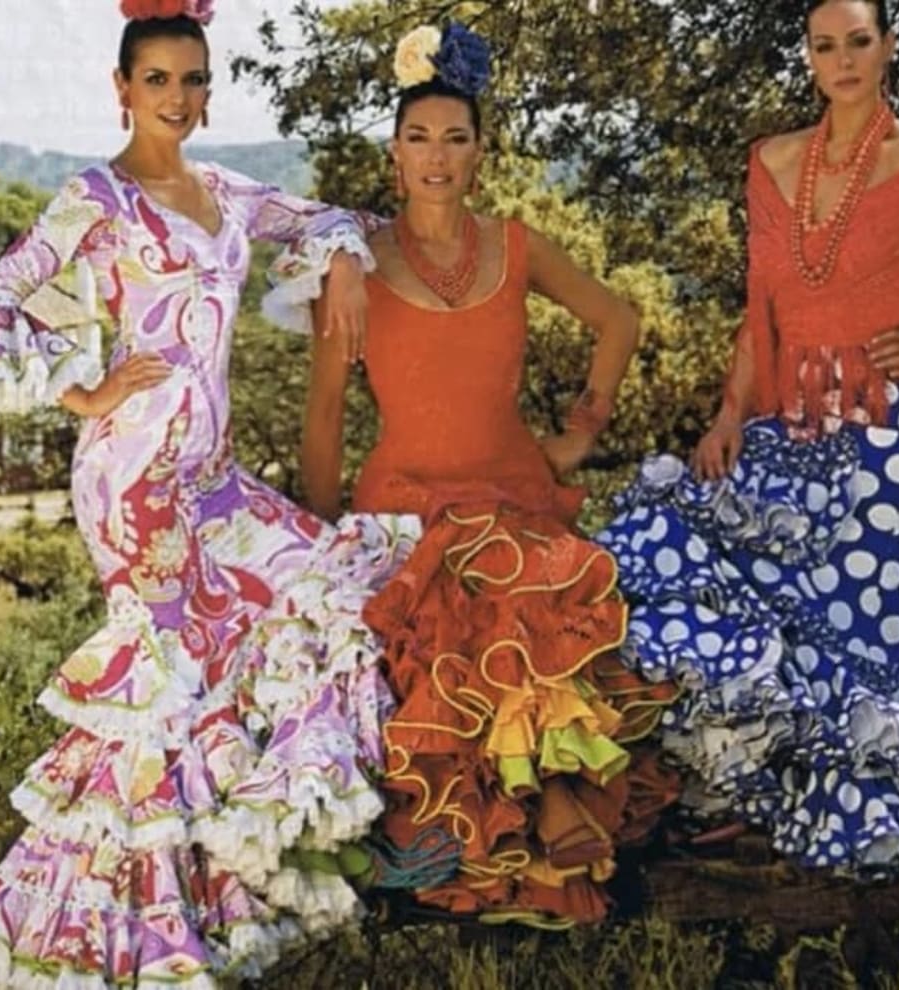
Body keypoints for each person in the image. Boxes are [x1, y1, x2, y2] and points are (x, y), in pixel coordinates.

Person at [0, 1, 394, 985]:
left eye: (192, 78)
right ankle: (124, 941)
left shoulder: (225, 189)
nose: (176, 96)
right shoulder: (96, 198)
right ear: (122, 88)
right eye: (157, 79)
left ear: (209, 92)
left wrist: (341, 256)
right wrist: (80, 385)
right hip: (134, 482)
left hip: (212, 479)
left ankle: (234, 884)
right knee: (162, 695)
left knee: (324, 594)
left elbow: (323, 217)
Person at [595, 0, 899, 877]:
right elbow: (763, 313)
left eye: (860, 42)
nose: (844, 61)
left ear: (887, 47)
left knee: (862, 618)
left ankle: (887, 806)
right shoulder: (772, 164)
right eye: (826, 46)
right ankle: (766, 806)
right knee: (698, 560)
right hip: (790, 425)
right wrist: (724, 416)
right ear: (811, 58)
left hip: (888, 433)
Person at [274, 22, 679, 927]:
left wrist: (580, 431)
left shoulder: (517, 245)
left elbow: (618, 319)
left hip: (518, 494)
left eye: (455, 138)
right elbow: (326, 415)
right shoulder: (354, 267)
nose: (437, 156)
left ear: (480, 152)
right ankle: (539, 809)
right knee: (468, 599)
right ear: (394, 154)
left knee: (520, 585)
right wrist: (322, 532)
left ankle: (550, 804)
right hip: (406, 510)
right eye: (419, 138)